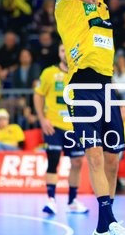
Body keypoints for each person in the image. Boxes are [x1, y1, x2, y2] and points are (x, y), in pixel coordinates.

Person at [55, 0, 125, 235]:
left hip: (106, 86)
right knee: (96, 155)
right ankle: (109, 223)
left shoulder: (97, 3)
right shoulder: (68, 5)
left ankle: (103, 226)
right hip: (82, 84)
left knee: (114, 157)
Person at [33, 44, 87, 216]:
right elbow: (38, 95)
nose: (65, 53)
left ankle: (72, 201)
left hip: (75, 126)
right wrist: (42, 119)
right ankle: (51, 200)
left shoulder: (80, 73)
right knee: (53, 160)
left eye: (68, 50)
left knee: (77, 163)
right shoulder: (49, 73)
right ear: (58, 52)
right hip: (53, 126)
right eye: (62, 50)